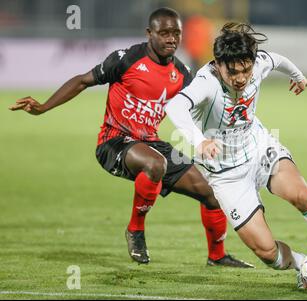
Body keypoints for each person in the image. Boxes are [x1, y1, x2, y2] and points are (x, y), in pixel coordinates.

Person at [8, 8, 253, 268]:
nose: (171, 39)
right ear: (150, 34)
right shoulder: (126, 60)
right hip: (114, 142)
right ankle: (135, 230)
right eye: (165, 33)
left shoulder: (181, 74)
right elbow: (82, 81)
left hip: (150, 143)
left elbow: (199, 108)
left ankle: (217, 256)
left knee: (212, 191)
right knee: (155, 164)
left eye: (176, 33)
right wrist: (44, 107)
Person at [164, 22, 307, 288]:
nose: (241, 77)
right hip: (226, 176)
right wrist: (199, 141)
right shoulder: (207, 82)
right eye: (233, 71)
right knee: (267, 252)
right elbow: (176, 105)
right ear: (218, 64)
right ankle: (305, 265)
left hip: (259, 148)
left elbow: (276, 59)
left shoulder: (258, 62)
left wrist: (298, 76)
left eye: (246, 70)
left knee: (302, 196)